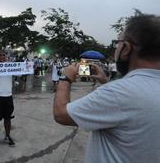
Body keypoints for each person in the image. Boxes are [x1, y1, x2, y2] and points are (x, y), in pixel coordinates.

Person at [53, 14, 160, 162]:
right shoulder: (121, 92)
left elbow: (61, 114)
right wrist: (106, 81)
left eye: (118, 43)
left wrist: (65, 78)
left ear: (127, 48)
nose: (116, 48)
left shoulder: (119, 92)